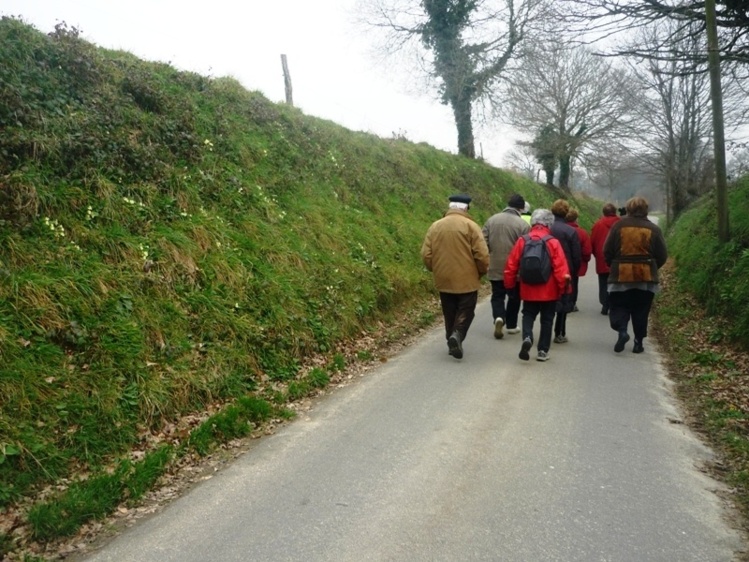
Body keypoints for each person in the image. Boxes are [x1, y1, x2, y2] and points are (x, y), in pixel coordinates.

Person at [421, 193, 489, 359]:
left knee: (449, 310)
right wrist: (481, 271)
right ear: (466, 208)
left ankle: (450, 338)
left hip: (443, 277)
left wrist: (435, 269)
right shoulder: (471, 226)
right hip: (467, 279)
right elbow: (482, 255)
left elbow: (426, 254)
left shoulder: (435, 226)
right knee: (466, 310)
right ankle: (457, 335)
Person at [603, 196, 668, 354]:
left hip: (621, 275)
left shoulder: (618, 226)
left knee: (619, 306)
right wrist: (651, 266)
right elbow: (662, 255)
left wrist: (613, 265)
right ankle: (638, 342)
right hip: (646, 277)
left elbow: (607, 250)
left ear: (629, 209)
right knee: (641, 310)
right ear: (646, 210)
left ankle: (622, 331)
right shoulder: (653, 229)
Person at [504, 209, 571, 362]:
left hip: (528, 288)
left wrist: (510, 286)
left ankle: (527, 337)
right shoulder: (553, 242)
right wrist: (564, 289)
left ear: (533, 222)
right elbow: (561, 269)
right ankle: (542, 351)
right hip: (549, 290)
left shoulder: (523, 240)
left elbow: (511, 266)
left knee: (528, 315)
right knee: (547, 320)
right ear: (549, 223)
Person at [481, 193, 530, 339]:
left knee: (497, 295)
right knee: (514, 297)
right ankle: (511, 325)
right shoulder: (523, 225)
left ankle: (498, 317)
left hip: (495, 264)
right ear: (521, 209)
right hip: (515, 268)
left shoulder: (491, 220)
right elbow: (527, 248)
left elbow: (482, 242)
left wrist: (491, 254)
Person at [549, 199, 581, 344]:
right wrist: (574, 271)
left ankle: (546, 330)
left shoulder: (547, 228)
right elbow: (576, 255)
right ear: (566, 212)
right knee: (563, 302)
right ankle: (560, 332)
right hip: (566, 270)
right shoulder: (571, 231)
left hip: (547, 268)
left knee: (549, 301)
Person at [590, 203, 620, 315]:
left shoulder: (598, 225)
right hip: (617, 258)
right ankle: (614, 304)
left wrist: (596, 254)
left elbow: (592, 241)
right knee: (616, 282)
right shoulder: (620, 224)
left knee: (603, 282)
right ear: (615, 211)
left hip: (602, 257)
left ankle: (604, 304)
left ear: (603, 212)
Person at [564, 208, 592, 312]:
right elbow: (587, 250)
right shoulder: (582, 233)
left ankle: (562, 302)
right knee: (574, 283)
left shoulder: (560, 230)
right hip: (576, 263)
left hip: (561, 263)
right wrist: (586, 260)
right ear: (576, 219)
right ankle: (572, 303)